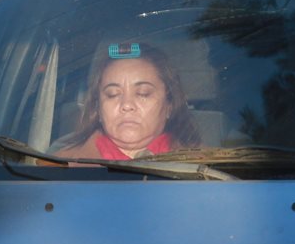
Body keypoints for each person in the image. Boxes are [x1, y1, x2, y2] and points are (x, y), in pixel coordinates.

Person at [56, 43, 201, 160]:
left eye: (143, 93)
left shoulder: (211, 168)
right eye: (112, 94)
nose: (126, 105)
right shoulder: (57, 169)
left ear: (169, 105)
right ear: (98, 108)